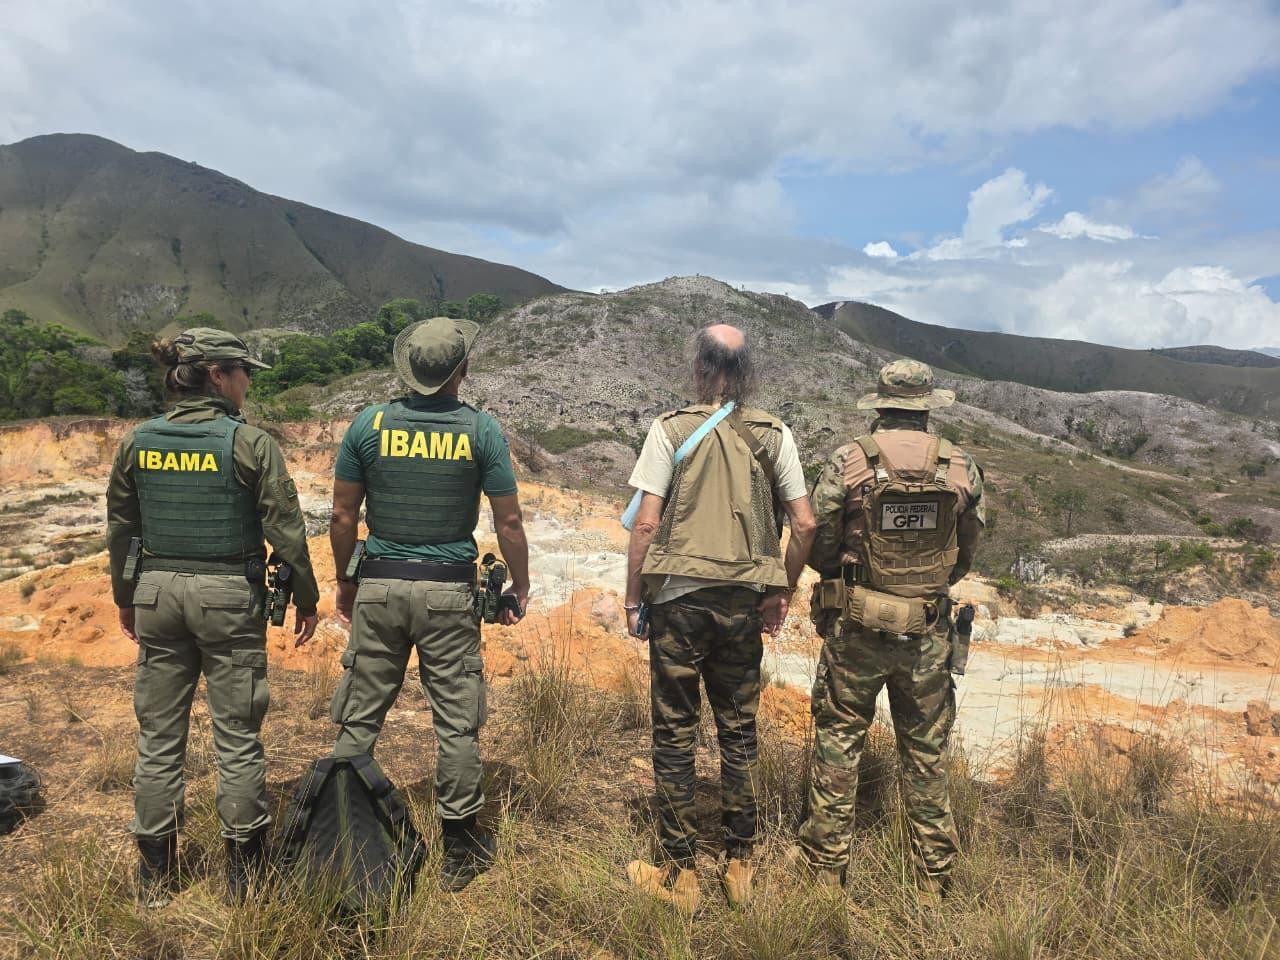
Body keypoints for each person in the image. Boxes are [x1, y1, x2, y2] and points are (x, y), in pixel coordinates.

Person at [106, 327, 320, 906]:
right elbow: (287, 530)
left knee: (158, 736)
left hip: (156, 593)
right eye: (243, 371)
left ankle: (155, 879)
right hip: (228, 596)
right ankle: (245, 882)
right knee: (237, 737)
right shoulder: (250, 443)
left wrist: (127, 595)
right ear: (217, 375)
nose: (248, 382)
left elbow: (123, 530)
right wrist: (307, 596)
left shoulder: (135, 441)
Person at [328, 316, 529, 892]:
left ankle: (344, 834)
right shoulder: (481, 431)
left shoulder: (370, 425)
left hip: (381, 585)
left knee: (360, 713)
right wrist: (521, 584)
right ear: (461, 371)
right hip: (448, 590)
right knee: (456, 725)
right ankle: (460, 852)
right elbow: (508, 520)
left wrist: (345, 580)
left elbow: (343, 516)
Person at [623, 324, 816, 912]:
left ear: (700, 369)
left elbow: (647, 524)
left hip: (679, 604)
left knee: (675, 733)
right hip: (741, 605)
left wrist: (635, 599)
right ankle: (740, 862)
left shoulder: (670, 429)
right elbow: (805, 524)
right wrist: (778, 588)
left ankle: (679, 870)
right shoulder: (774, 434)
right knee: (739, 731)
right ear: (746, 370)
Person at [795, 359, 985, 904]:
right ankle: (933, 877)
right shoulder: (959, 466)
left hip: (856, 626)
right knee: (925, 751)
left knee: (839, 740)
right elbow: (965, 551)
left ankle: (825, 870)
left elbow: (820, 538)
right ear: (928, 406)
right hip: (926, 632)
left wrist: (849, 577)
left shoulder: (849, 460)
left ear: (880, 404)